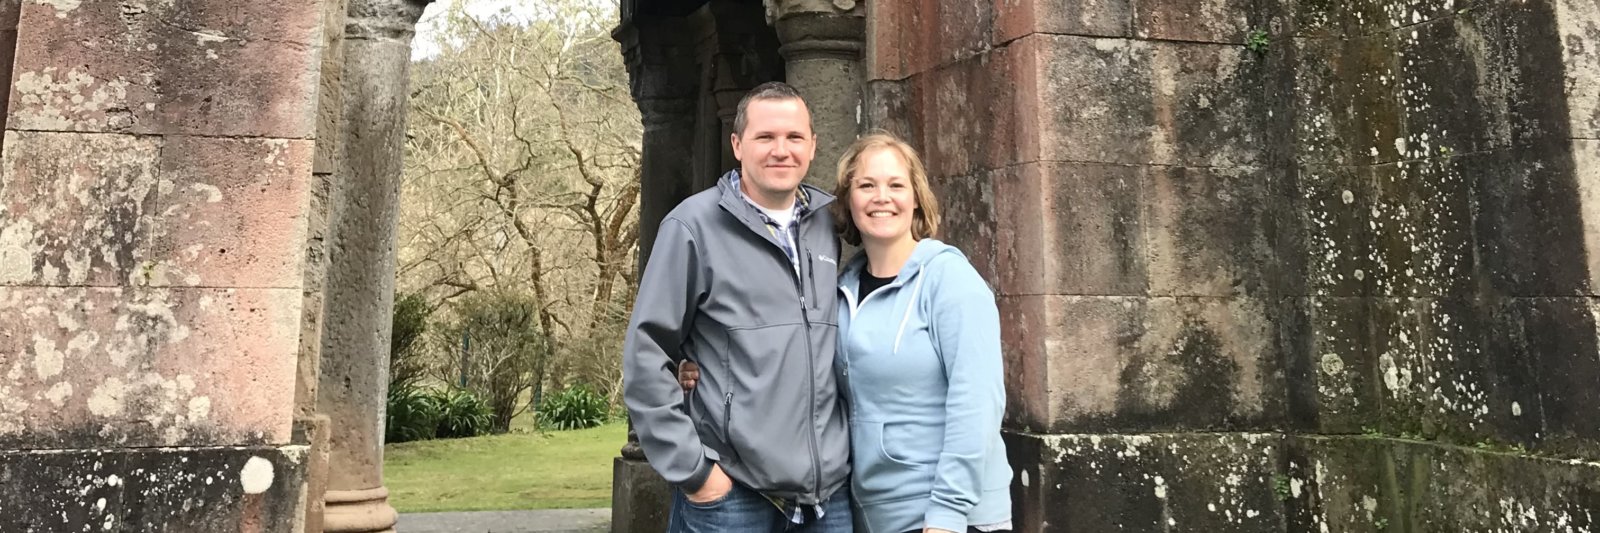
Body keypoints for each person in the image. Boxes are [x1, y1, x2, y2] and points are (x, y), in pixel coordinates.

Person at [683, 132, 1013, 533]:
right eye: (866, 185)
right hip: (875, 516)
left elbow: (977, 403)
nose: (881, 197)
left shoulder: (950, 280)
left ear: (916, 198)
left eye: (896, 185)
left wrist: (947, 513)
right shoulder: (840, 292)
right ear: (847, 200)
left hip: (950, 516)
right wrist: (704, 368)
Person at [622, 81, 852, 533]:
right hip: (733, 497)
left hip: (828, 498)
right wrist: (695, 472)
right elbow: (647, 352)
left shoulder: (832, 224)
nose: (780, 150)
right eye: (765, 137)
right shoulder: (692, 227)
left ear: (812, 146)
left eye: (794, 138)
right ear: (737, 144)